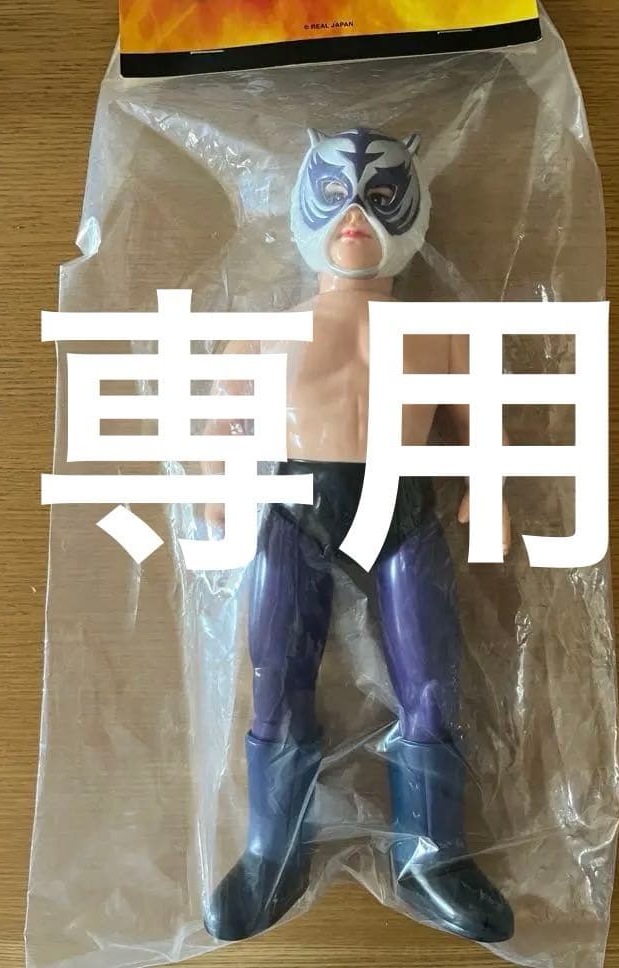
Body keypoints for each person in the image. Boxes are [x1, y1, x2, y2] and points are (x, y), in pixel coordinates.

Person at [204, 128, 513, 944]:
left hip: (404, 506)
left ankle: (433, 857)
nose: (353, 214)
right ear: (302, 209)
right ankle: (272, 852)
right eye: (334, 193)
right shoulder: (271, 329)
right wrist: (214, 487)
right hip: (295, 506)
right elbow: (219, 415)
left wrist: (487, 487)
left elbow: (476, 417)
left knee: (431, 679)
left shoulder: (440, 333)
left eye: (379, 197)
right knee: (277, 674)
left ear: (413, 209)